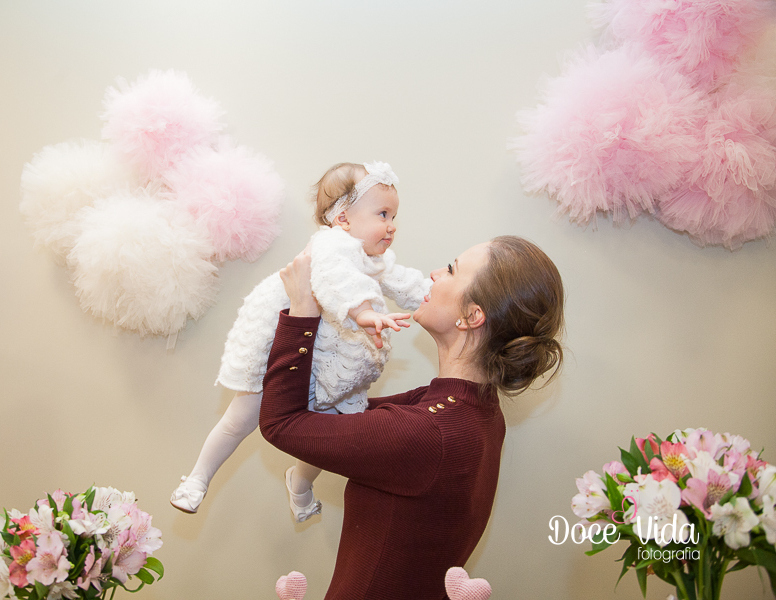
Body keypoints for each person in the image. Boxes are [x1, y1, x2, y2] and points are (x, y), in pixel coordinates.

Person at [259, 235, 565, 600]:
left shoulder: (428, 430)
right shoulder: (475, 410)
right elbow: (334, 418)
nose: (435, 273)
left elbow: (283, 423)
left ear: (472, 316)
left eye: (451, 270)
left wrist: (302, 309)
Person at [171, 161, 431, 520]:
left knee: (325, 435)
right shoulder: (331, 245)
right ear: (343, 218)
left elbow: (404, 280)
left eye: (394, 215)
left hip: (329, 356)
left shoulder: (374, 259)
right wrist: (363, 313)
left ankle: (300, 485)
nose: (391, 225)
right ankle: (198, 479)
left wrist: (433, 295)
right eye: (383, 213)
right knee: (241, 417)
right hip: (285, 347)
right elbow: (334, 278)